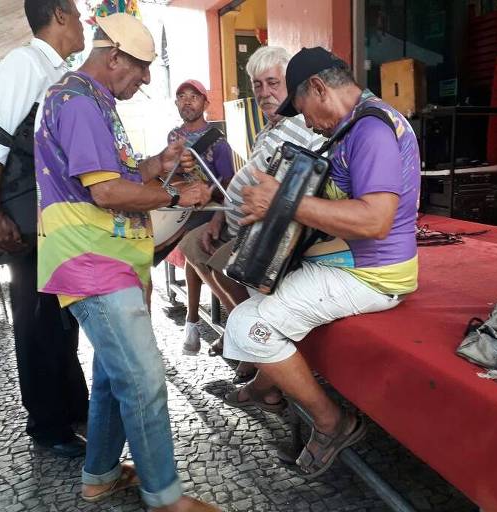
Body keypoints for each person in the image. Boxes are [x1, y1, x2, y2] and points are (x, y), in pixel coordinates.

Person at [35, 13, 218, 512]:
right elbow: (108, 191)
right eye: (138, 72)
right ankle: (165, 498)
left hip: (107, 257)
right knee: (143, 379)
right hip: (91, 260)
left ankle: (100, 475)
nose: (142, 83)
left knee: (117, 376)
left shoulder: (91, 98)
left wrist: (155, 165)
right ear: (113, 56)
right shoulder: (77, 102)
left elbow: (111, 172)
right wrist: (176, 192)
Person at [221, 47, 421, 478]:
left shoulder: (371, 130)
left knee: (245, 326)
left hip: (372, 273)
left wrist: (283, 200)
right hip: (348, 262)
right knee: (255, 293)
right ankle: (265, 387)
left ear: (318, 87)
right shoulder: (353, 127)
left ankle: (333, 423)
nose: (306, 122)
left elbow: (375, 219)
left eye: (304, 110)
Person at [0, 0, 89, 458]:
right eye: (77, 14)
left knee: (62, 318)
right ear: (58, 14)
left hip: (52, 220)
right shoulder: (25, 62)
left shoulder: (57, 71)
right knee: (37, 323)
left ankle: (72, 405)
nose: (82, 23)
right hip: (22, 222)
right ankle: (47, 424)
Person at [176, 45, 324, 372]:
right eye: (257, 85)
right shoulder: (271, 127)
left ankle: (252, 339)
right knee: (192, 243)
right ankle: (240, 330)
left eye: (273, 83)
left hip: (267, 229)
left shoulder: (301, 125)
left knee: (220, 263)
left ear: (293, 84)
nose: (264, 93)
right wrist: (219, 215)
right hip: (238, 222)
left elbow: (289, 192)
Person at [161, 79, 234, 354]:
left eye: (194, 96)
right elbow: (170, 176)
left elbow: (228, 183)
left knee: (193, 246)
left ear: (205, 103)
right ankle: (194, 322)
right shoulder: (173, 138)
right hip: (183, 208)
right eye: (182, 96)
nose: (187, 101)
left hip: (209, 211)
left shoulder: (218, 142)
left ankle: (199, 322)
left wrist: (206, 193)